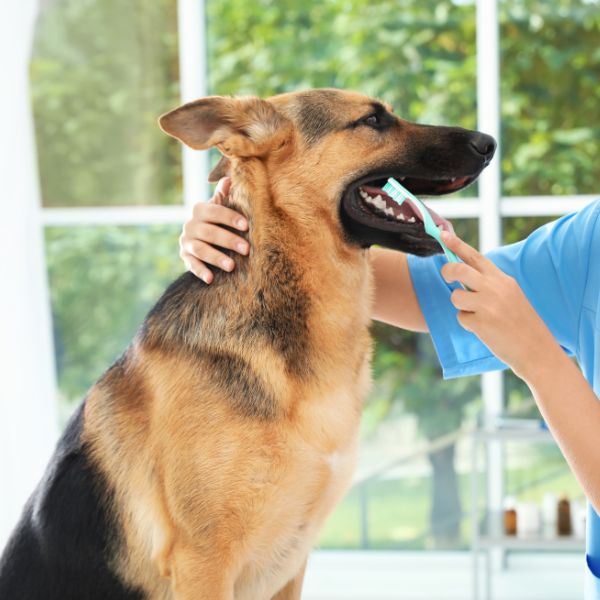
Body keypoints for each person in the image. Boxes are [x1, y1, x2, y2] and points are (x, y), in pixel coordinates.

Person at [180, 176, 600, 597]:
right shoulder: (590, 242)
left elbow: (524, 336)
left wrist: (539, 359)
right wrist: (251, 241)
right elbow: (434, 289)